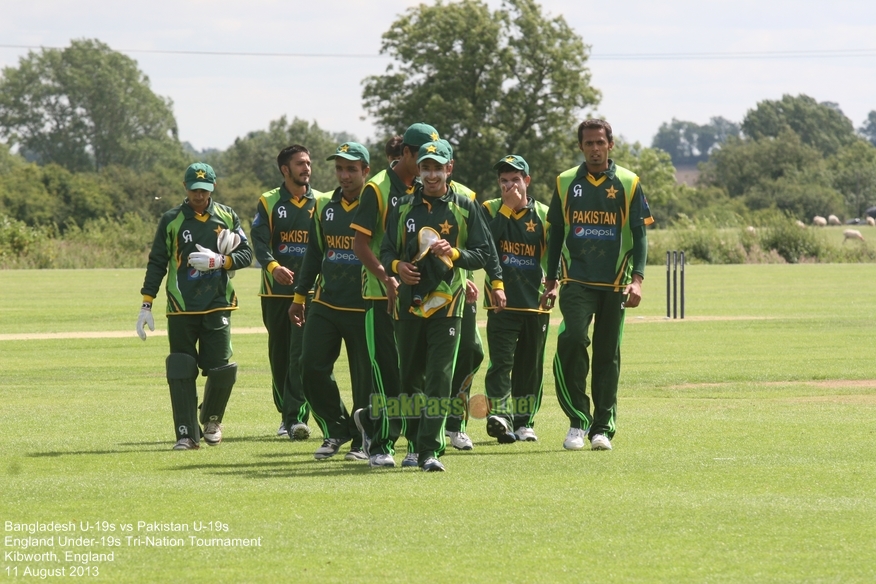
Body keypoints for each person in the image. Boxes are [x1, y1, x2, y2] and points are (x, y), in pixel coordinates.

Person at [377, 140, 494, 472]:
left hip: (449, 304)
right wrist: (398, 267)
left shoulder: (465, 206)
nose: (431, 175)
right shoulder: (401, 207)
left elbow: (483, 254)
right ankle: (412, 445)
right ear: (419, 169)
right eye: (425, 167)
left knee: (440, 378)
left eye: (437, 168)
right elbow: (386, 251)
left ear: (449, 168)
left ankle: (430, 450)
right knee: (409, 377)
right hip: (409, 304)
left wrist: (454, 254)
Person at [545, 119, 654, 452]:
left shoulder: (628, 182)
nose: (595, 148)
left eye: (600, 142)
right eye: (588, 143)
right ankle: (578, 420)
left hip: (616, 281)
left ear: (611, 144)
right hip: (576, 279)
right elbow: (555, 236)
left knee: (608, 354)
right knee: (573, 337)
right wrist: (550, 280)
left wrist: (637, 279)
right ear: (580, 146)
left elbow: (640, 235)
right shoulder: (565, 182)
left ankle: (601, 427)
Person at [137, 162, 253, 450]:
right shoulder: (172, 219)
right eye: (194, 190)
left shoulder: (227, 216)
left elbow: (246, 253)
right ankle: (186, 434)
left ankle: (212, 420)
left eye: (204, 190)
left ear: (212, 189)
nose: (199, 196)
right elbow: (157, 263)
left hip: (218, 303)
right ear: (185, 188)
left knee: (222, 369)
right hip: (181, 305)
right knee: (181, 368)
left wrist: (222, 261)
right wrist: (146, 303)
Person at [350, 123, 442, 468]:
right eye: (419, 156)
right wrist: (386, 276)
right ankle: (380, 444)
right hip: (379, 296)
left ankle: (416, 446)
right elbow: (360, 244)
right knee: (386, 374)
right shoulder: (377, 189)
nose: (425, 163)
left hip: (418, 301)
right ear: (404, 153)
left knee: (413, 375)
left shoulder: (425, 189)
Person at [289, 142, 373, 461]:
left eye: (351, 169)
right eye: (339, 168)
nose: (344, 175)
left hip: (365, 305)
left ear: (366, 171)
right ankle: (336, 428)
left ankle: (363, 439)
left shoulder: (376, 205)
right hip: (326, 303)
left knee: (364, 378)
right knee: (310, 366)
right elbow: (314, 253)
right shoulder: (325, 205)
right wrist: (300, 296)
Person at [439, 139, 505, 451]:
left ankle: (454, 424)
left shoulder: (466, 198)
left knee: (470, 352)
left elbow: (484, 247)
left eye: (441, 161)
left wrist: (494, 282)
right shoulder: (408, 200)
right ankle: (421, 427)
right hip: (418, 294)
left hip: (459, 293)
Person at [481, 155, 551, 443]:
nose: (509, 185)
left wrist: (555, 283)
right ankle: (500, 417)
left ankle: (524, 422)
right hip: (501, 303)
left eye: (515, 180)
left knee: (530, 366)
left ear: (527, 181)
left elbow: (556, 255)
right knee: (501, 363)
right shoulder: (490, 209)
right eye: (504, 181)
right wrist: (507, 210)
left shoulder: (545, 214)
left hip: (536, 304)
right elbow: (485, 248)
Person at [251, 145, 317, 440]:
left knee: (300, 354)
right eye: (300, 163)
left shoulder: (323, 202)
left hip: (311, 291)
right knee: (279, 356)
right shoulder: (269, 202)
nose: (307, 168)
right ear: (285, 170)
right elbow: (260, 242)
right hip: (275, 293)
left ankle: (296, 416)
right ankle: (285, 413)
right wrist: (273, 266)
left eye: (308, 163)